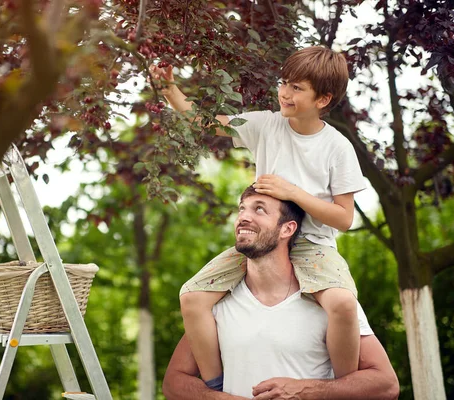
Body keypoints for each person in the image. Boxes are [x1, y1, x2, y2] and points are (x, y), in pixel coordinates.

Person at [150, 46, 365, 387]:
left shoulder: (336, 147)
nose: (284, 92)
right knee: (191, 296)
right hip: (264, 243)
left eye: (297, 88)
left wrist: (292, 192)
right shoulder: (267, 124)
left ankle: (344, 389)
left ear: (323, 99)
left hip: (312, 245)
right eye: (284, 83)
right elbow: (204, 122)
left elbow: (344, 218)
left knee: (341, 303)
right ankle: (216, 384)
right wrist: (168, 89)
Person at [161, 187, 400, 399]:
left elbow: (386, 385)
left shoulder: (331, 302)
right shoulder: (216, 302)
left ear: (287, 229)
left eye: (259, 210)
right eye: (242, 209)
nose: (244, 217)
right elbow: (173, 383)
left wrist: (307, 390)